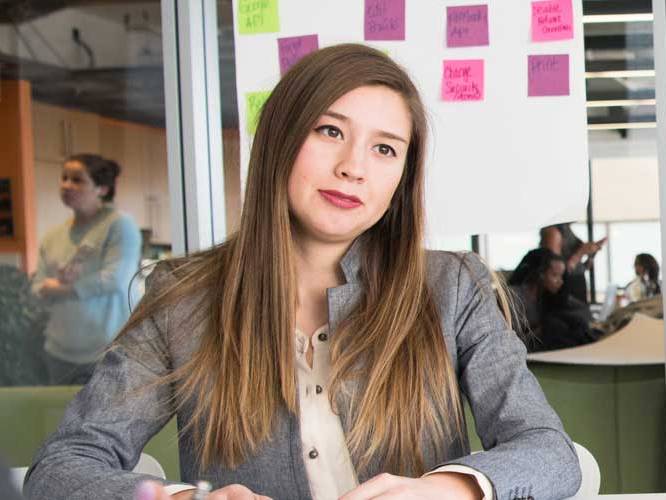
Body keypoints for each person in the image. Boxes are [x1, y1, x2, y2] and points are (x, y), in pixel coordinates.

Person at [24, 44, 580, 500]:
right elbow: (64, 467)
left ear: (401, 180)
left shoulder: (452, 287)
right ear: (281, 139)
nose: (353, 168)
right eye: (330, 132)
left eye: (385, 149)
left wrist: (451, 488)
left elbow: (550, 453)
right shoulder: (183, 298)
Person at [31, 154, 141, 385]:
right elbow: (37, 287)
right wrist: (49, 288)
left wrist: (64, 288)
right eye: (64, 178)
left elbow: (115, 279)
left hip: (108, 352)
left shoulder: (119, 225)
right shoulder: (53, 236)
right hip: (59, 353)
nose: (67, 185)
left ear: (101, 188)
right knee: (62, 420)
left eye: (77, 180)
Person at [509, 248, 597, 352]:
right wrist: (539, 331)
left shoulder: (546, 297)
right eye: (555, 275)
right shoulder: (515, 297)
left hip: (537, 346)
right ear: (541, 274)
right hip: (521, 349)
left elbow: (580, 309)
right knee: (554, 325)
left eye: (561, 276)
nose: (560, 281)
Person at [540, 223, 606, 303]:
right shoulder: (553, 230)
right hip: (566, 289)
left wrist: (590, 256)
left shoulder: (566, 228)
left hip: (576, 284)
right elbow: (555, 268)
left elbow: (578, 265)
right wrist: (581, 251)